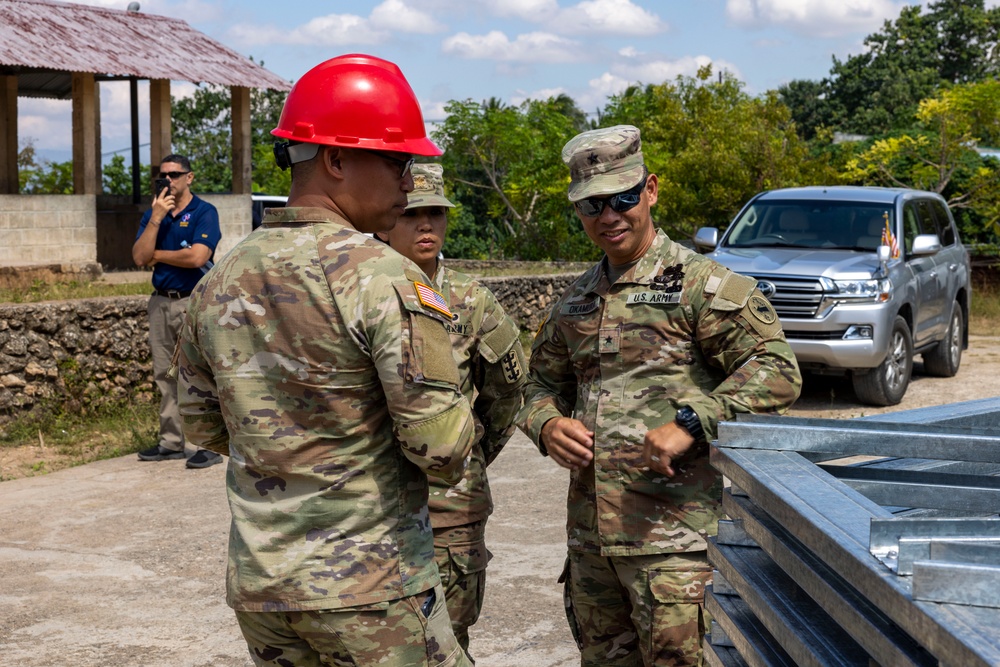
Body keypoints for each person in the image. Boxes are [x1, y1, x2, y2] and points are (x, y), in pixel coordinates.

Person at [176, 54, 476, 667]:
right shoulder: (384, 277)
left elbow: (202, 427)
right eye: (397, 162)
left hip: (265, 589)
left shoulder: (220, 276)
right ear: (335, 160)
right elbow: (443, 447)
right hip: (372, 588)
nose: (409, 183)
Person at [518, 125, 802, 666]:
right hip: (592, 544)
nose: (610, 216)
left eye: (624, 198)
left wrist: (694, 421)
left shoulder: (701, 286)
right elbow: (537, 386)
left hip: (675, 545)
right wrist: (546, 425)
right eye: (592, 205)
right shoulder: (576, 300)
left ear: (651, 189)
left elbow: (777, 370)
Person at [376, 163, 526, 661]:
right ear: (387, 218)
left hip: (451, 506)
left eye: (437, 214)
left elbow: (507, 390)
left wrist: (474, 451)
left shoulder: (470, 299)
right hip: (371, 503)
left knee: (449, 642)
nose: (427, 226)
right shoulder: (362, 292)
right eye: (414, 213)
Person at [132, 153, 222, 470]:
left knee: (197, 372)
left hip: (191, 300)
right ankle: (170, 443)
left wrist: (157, 253)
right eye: (163, 176)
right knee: (163, 375)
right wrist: (157, 218)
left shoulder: (204, 212)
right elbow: (139, 257)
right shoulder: (154, 214)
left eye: (174, 175)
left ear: (189, 177)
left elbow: (197, 257)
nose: (168, 181)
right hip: (160, 301)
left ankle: (207, 444)